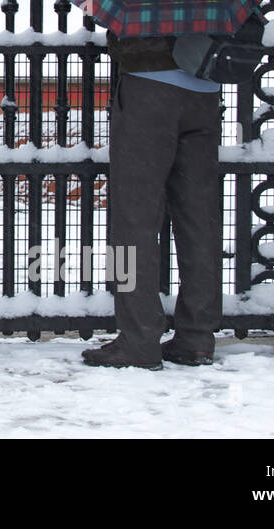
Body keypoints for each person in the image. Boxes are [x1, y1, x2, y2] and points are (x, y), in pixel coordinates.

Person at [82, 33, 222, 370]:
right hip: (204, 86)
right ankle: (197, 336)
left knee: (134, 220)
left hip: (148, 85)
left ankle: (139, 338)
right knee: (199, 218)